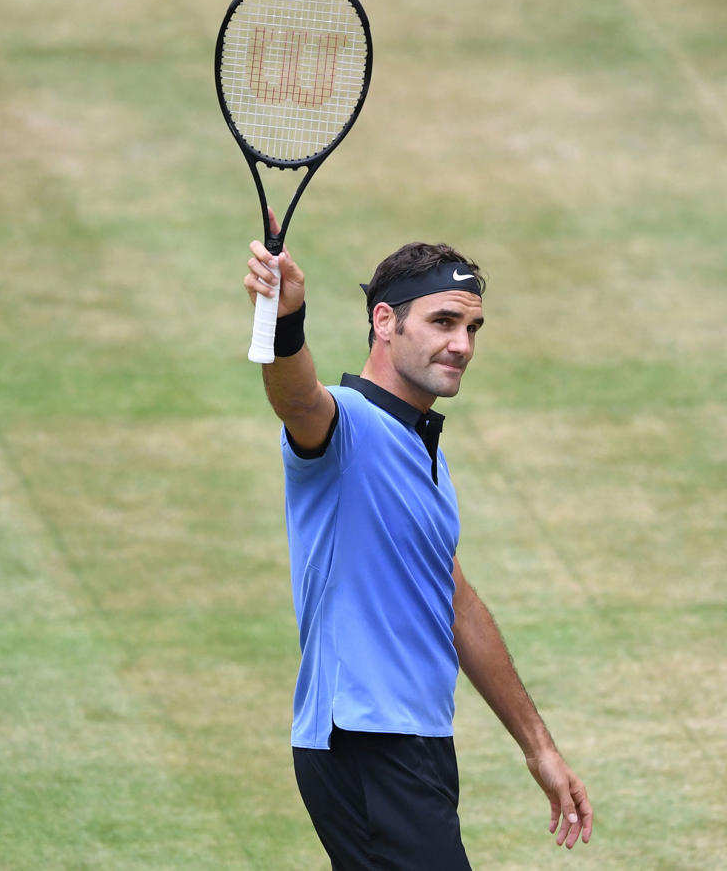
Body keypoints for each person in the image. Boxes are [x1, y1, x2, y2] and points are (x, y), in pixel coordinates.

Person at [243, 212, 593, 869]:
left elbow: (455, 600)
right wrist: (286, 319)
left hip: (416, 741)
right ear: (384, 322)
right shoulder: (347, 428)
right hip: (364, 739)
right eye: (443, 322)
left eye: (472, 328)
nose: (462, 344)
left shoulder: (420, 452)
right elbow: (295, 397)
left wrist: (538, 747)